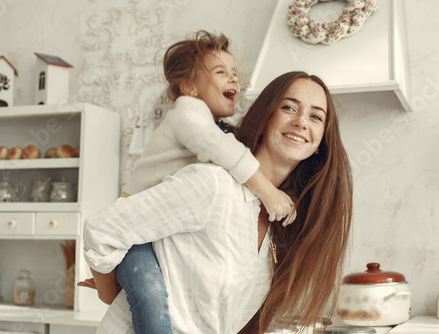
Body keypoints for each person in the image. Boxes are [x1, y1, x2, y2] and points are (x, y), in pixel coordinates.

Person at [83, 71, 353, 333]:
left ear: (320, 143)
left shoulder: (279, 222)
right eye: (289, 107)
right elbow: (102, 230)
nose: (301, 122)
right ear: (265, 116)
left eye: (316, 116)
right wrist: (113, 292)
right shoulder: (213, 184)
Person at [79, 30, 296, 334]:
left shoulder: (217, 128)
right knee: (152, 293)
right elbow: (221, 149)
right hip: (134, 230)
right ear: (189, 87)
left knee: (153, 293)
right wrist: (268, 191)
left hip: (153, 230)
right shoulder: (187, 112)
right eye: (220, 72)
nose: (233, 79)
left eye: (234, 72)